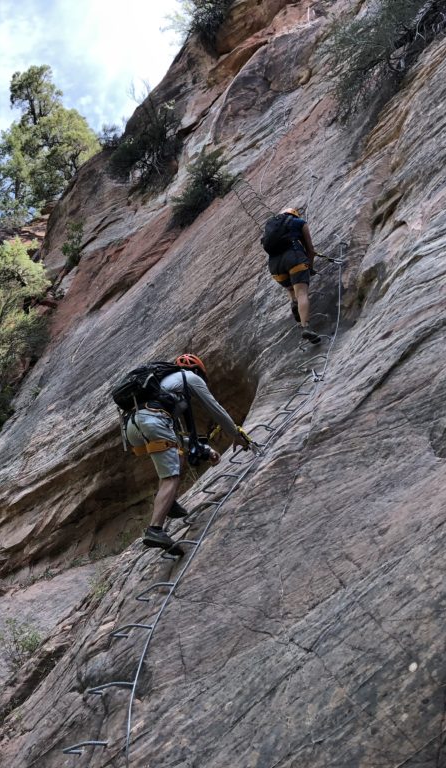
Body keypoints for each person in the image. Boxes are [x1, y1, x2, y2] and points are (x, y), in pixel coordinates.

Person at [123, 354, 252, 556]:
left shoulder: (161, 389)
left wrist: (206, 449)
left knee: (174, 455)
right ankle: (155, 530)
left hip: (132, 426)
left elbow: (175, 436)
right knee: (170, 476)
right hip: (153, 420)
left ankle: (169, 501)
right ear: (198, 371)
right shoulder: (191, 378)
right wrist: (235, 434)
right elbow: (215, 409)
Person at [264, 207, 321, 344]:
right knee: (301, 292)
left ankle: (293, 302)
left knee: (291, 288)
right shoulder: (299, 222)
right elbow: (310, 250)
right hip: (294, 258)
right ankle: (305, 326)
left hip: (275, 266)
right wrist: (310, 268)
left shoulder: (272, 227)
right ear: (295, 214)